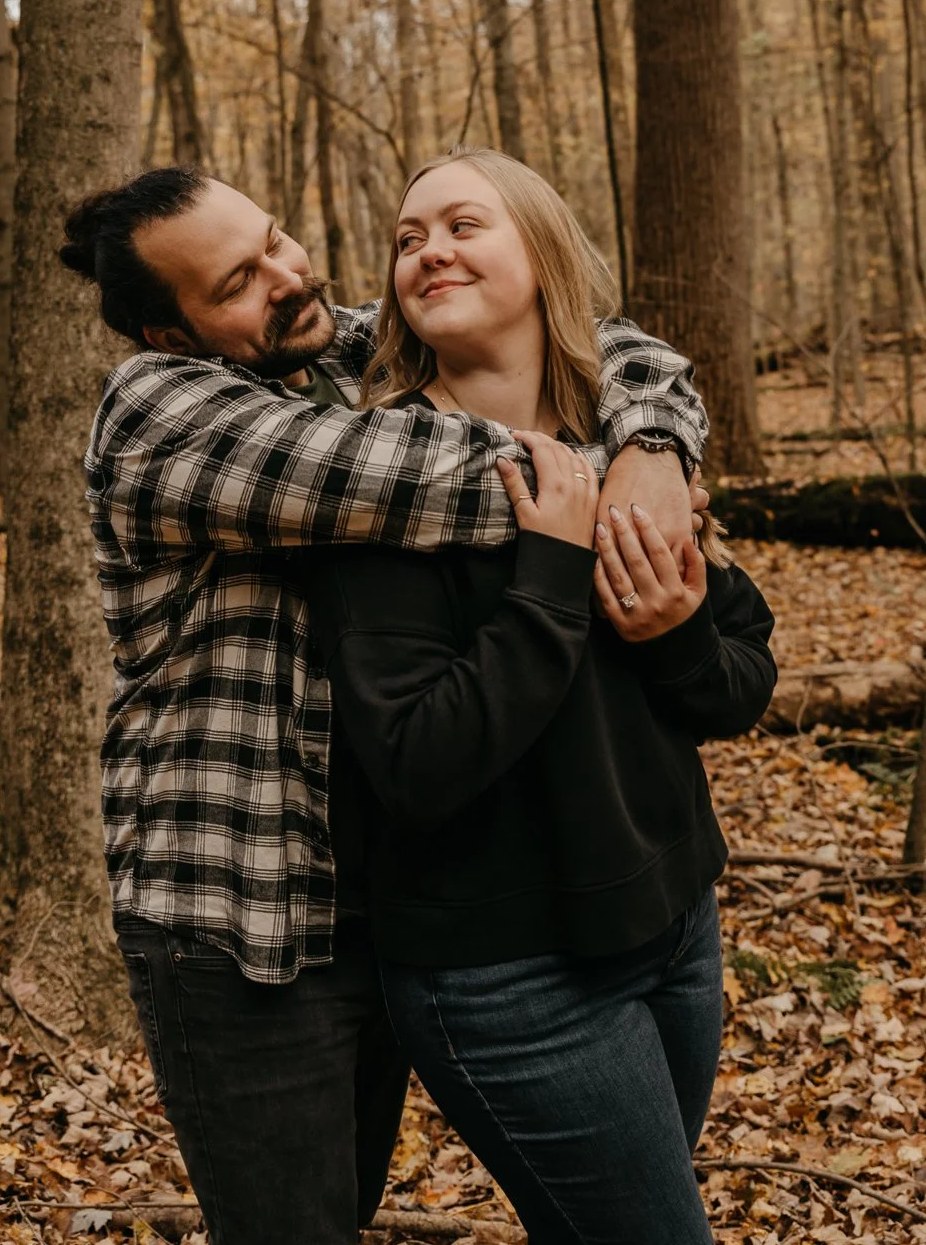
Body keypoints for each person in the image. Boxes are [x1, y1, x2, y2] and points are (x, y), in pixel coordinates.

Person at [59, 163, 710, 1245]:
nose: (285, 276)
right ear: (173, 334)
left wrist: (653, 444)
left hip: (390, 901)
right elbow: (431, 474)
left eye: (274, 238)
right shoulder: (159, 410)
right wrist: (631, 491)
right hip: (249, 925)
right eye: (237, 282)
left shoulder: (331, 351)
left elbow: (605, 342)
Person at [304, 146, 777, 1245]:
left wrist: (674, 632)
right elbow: (416, 761)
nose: (429, 251)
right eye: (408, 239)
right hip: (506, 975)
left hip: (676, 926)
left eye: (463, 225)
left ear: (543, 251)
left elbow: (738, 679)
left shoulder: (624, 447)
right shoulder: (381, 482)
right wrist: (553, 573)